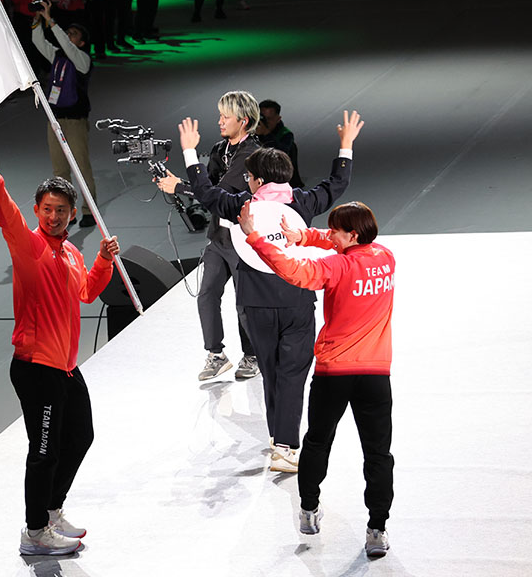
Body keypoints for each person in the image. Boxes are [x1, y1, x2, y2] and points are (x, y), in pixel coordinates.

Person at [158, 111, 361, 473]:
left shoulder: (241, 207)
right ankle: (285, 444)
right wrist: (345, 145)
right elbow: (336, 185)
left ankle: (279, 440)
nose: (246, 182)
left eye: (249, 176)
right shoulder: (303, 202)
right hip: (297, 301)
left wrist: (190, 153)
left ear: (257, 180)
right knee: (293, 375)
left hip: (255, 305)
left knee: (272, 373)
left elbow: (205, 192)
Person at [0, 140, 119, 557]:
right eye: (47, 209)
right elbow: (6, 216)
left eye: (61, 210)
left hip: (65, 367)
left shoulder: (68, 251)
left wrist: (102, 260)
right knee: (44, 452)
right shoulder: (28, 246)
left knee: (81, 437)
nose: (53, 217)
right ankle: (34, 533)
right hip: (36, 368)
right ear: (37, 210)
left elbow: (86, 293)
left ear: (71, 214)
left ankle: (51, 511)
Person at [238, 200, 394, 558]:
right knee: (378, 455)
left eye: (336, 230)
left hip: (333, 373)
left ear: (351, 234)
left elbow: (293, 270)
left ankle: (308, 509)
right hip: (375, 375)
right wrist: (307, 235)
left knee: (317, 442)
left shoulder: (336, 267)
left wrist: (255, 238)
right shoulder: (386, 258)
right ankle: (377, 529)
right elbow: (339, 241)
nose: (332, 236)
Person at [164, 91, 260, 381]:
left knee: (245, 302)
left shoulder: (252, 154)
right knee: (207, 294)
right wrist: (179, 184)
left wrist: (179, 186)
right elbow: (206, 186)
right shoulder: (220, 149)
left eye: (225, 116)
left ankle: (253, 355)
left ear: (243, 121)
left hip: (243, 239)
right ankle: (216, 354)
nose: (219, 121)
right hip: (218, 237)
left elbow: (219, 193)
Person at [30, 1, 97, 229]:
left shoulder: (83, 60)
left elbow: (68, 47)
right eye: (67, 32)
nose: (68, 36)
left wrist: (52, 21)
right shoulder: (58, 57)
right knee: (60, 171)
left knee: (81, 167)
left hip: (75, 121)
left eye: (73, 34)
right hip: (55, 120)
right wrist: (39, 19)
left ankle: (90, 210)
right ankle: (66, 212)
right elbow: (37, 41)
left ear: (82, 42)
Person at [255, 99, 303, 187]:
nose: (265, 122)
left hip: (281, 178)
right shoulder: (253, 132)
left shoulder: (285, 134)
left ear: (278, 119)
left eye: (269, 119)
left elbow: (280, 155)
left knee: (292, 147)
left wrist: (266, 134)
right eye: (262, 118)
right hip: (258, 178)